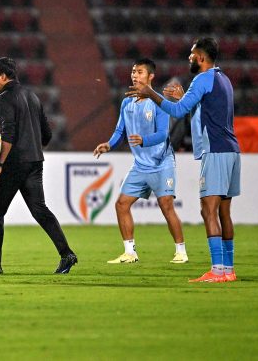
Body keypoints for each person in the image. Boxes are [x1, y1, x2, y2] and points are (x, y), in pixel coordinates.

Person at [127, 37, 240, 283]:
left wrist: (151, 93)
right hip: (232, 150)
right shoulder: (224, 79)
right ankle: (229, 270)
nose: (189, 57)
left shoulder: (202, 79)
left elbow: (177, 112)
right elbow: (206, 111)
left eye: (191, 54)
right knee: (224, 213)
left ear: (200, 57)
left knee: (207, 210)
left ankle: (217, 270)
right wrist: (183, 98)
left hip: (217, 151)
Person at [0, 57, 77, 275]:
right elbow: (47, 134)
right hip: (35, 161)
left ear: (3, 76)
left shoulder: (5, 98)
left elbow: (7, 136)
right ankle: (67, 254)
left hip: (13, 164)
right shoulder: (32, 96)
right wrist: (32, 148)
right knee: (40, 210)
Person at [93, 58, 188, 265]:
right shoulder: (127, 102)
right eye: (133, 71)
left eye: (140, 72)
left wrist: (144, 140)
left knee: (166, 206)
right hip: (140, 165)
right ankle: (130, 252)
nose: (135, 75)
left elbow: (163, 134)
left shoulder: (159, 102)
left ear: (151, 76)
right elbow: (120, 131)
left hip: (162, 163)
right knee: (121, 204)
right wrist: (109, 144)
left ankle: (181, 251)